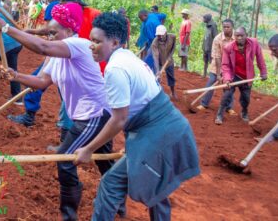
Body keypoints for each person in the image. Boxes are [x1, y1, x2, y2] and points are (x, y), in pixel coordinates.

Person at [0, 3, 125, 221]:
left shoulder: (80, 44)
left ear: (69, 31)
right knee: (103, 159)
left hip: (95, 113)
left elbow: (42, 46)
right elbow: (42, 81)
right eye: (48, 33)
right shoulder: (55, 56)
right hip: (90, 114)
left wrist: (7, 29)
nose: (50, 37)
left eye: (53, 33)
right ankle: (119, 201)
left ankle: (69, 215)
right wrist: (16, 76)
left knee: (64, 159)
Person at [74, 12, 200, 221]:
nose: (91, 45)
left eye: (96, 41)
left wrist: (88, 149)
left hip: (160, 133)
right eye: (90, 40)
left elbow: (120, 119)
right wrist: (137, 144)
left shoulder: (115, 69)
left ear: (114, 42)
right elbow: (138, 108)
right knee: (157, 189)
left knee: (111, 184)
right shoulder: (127, 56)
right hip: (167, 129)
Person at [9, 0, 66, 124]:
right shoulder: (66, 6)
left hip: (56, 50)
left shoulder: (55, 6)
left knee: (37, 81)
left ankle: (29, 116)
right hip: (64, 50)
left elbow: (48, 30)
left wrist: (29, 32)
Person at [215, 27, 267, 125]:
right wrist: (227, 79)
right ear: (234, 36)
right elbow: (225, 65)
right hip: (233, 75)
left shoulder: (254, 43)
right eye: (237, 36)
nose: (239, 38)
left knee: (246, 98)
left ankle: (244, 111)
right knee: (226, 95)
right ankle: (219, 114)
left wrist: (263, 72)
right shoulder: (228, 48)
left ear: (246, 35)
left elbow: (260, 58)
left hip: (248, 76)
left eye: (241, 35)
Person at [197, 19, 236, 111]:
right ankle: (204, 103)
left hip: (230, 66)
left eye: (228, 27)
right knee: (211, 82)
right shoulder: (217, 39)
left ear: (232, 27)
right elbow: (217, 57)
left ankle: (229, 107)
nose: (226, 29)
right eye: (224, 27)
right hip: (217, 64)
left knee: (228, 85)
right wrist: (218, 74)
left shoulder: (237, 37)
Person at [150, 25, 177, 100]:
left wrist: (170, 55)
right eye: (158, 35)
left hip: (169, 61)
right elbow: (155, 57)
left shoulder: (172, 37)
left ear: (166, 33)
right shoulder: (155, 43)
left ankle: (173, 92)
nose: (160, 37)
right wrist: (158, 70)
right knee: (157, 78)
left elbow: (174, 46)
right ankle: (157, 95)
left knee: (171, 77)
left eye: (161, 35)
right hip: (159, 62)